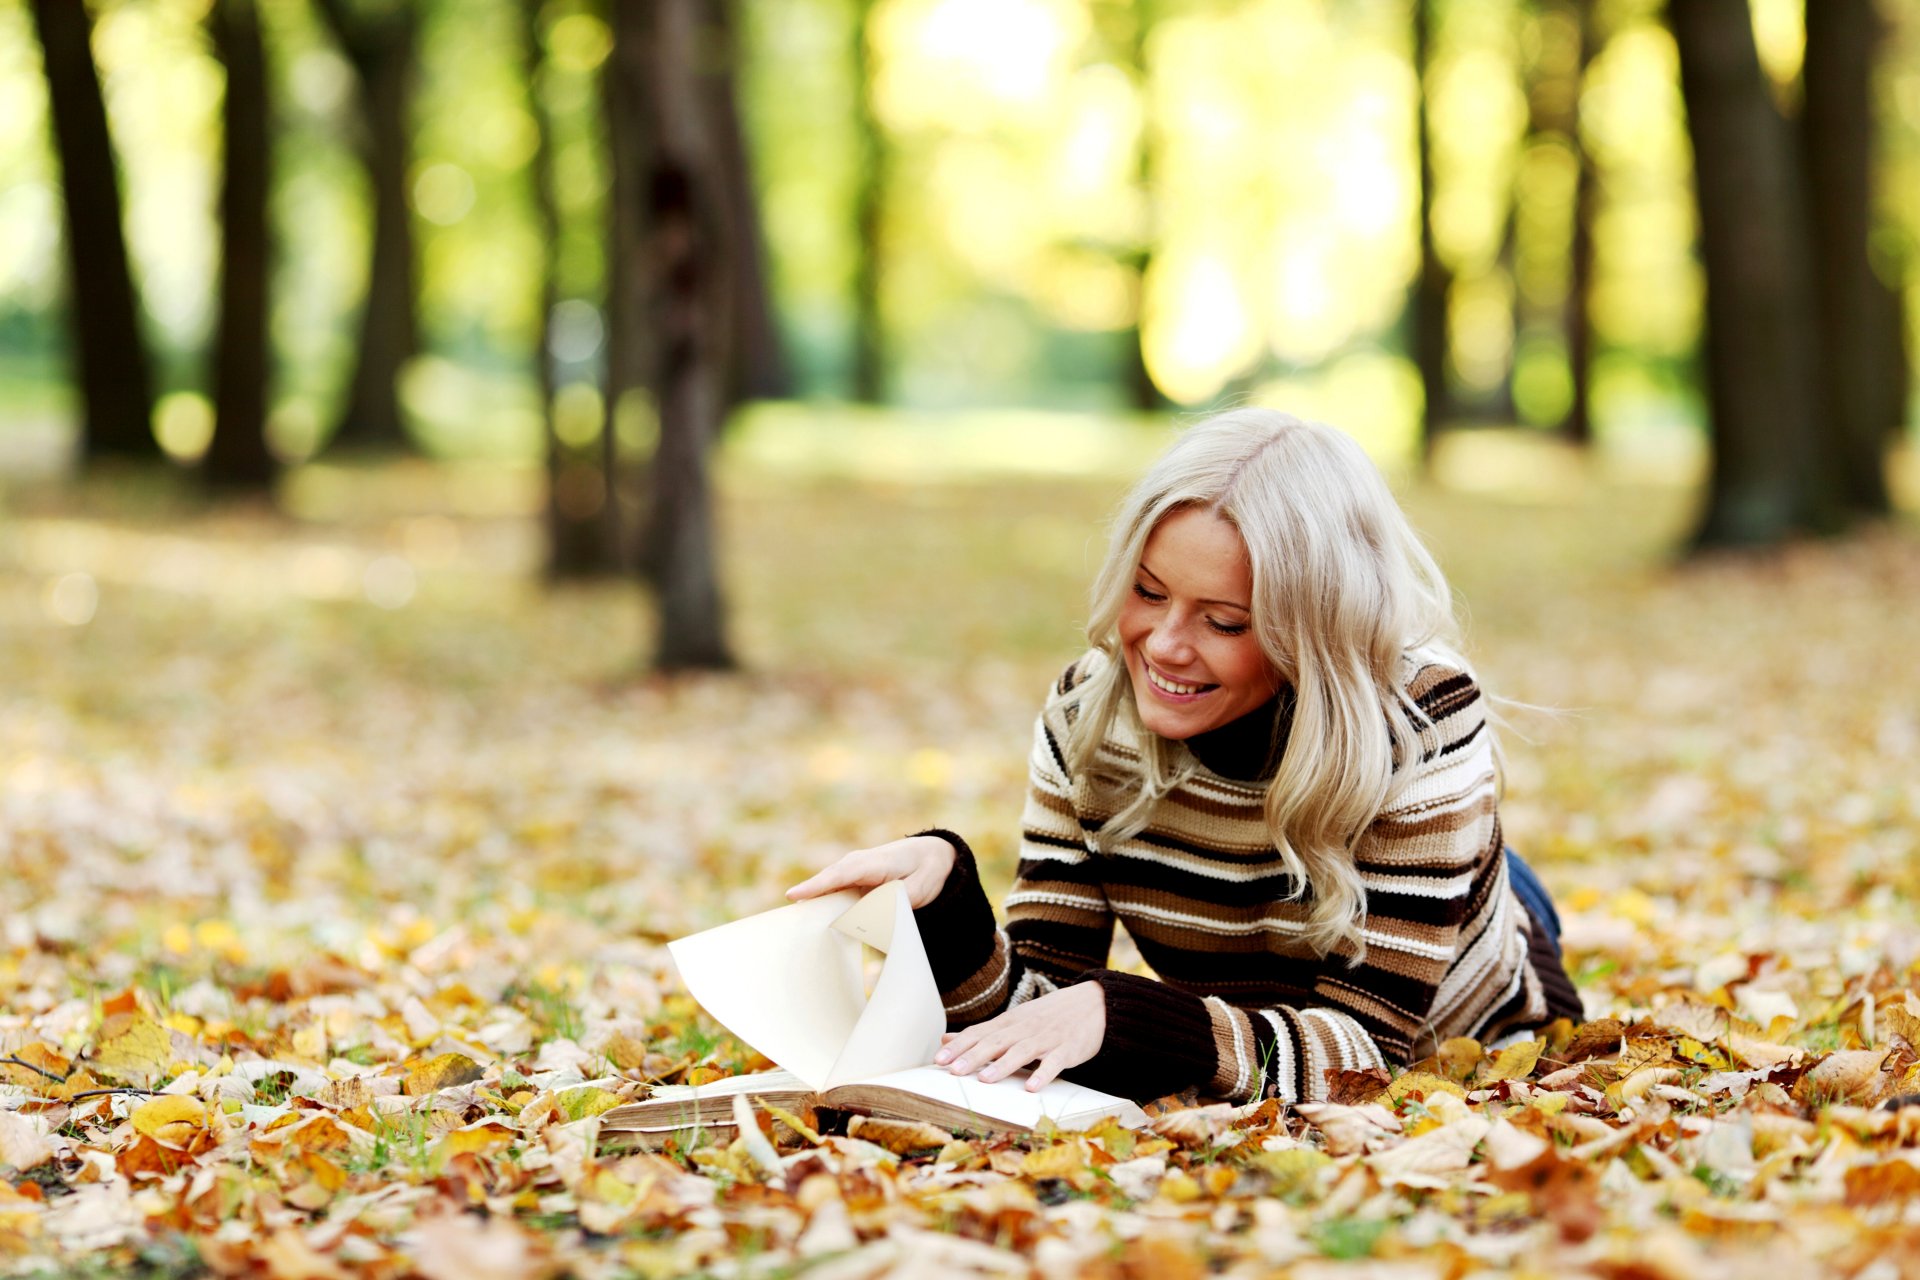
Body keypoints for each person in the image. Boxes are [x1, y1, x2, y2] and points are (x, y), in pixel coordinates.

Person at [788, 410, 1584, 1105]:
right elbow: (1040, 1013)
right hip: (1253, 984)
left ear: (1310, 632)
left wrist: (1131, 1014)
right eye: (1147, 590)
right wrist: (948, 906)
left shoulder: (1422, 721)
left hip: (1450, 964)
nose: (1165, 646)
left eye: (1225, 622)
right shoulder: (1088, 717)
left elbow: (1370, 1055)